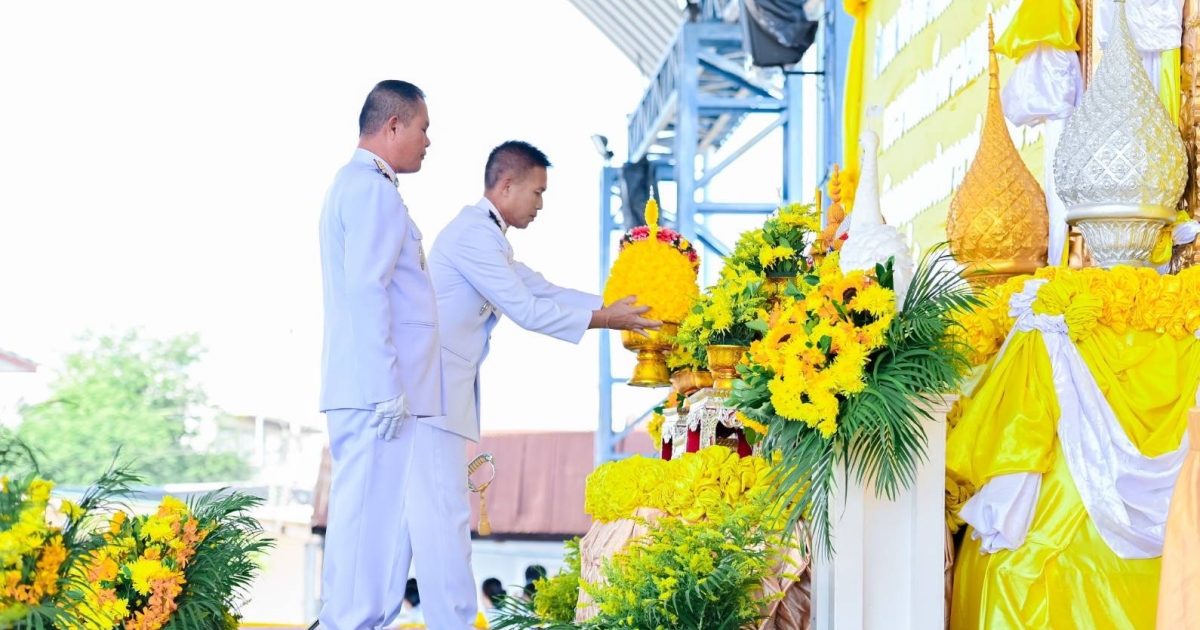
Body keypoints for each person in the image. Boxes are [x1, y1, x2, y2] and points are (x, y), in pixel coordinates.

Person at [317, 80, 476, 629]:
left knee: (369, 529)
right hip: (375, 393)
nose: (428, 141)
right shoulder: (372, 189)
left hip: (369, 389)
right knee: (367, 532)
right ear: (393, 126)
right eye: (423, 128)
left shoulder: (359, 185)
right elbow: (368, 290)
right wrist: (387, 388)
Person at [428, 140, 660, 446]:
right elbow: (528, 310)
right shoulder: (474, 234)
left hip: (446, 396)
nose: (540, 205)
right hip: (434, 398)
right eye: (537, 193)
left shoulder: (487, 235)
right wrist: (606, 319)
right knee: (441, 480)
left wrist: (615, 306)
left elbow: (543, 290)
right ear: (507, 186)